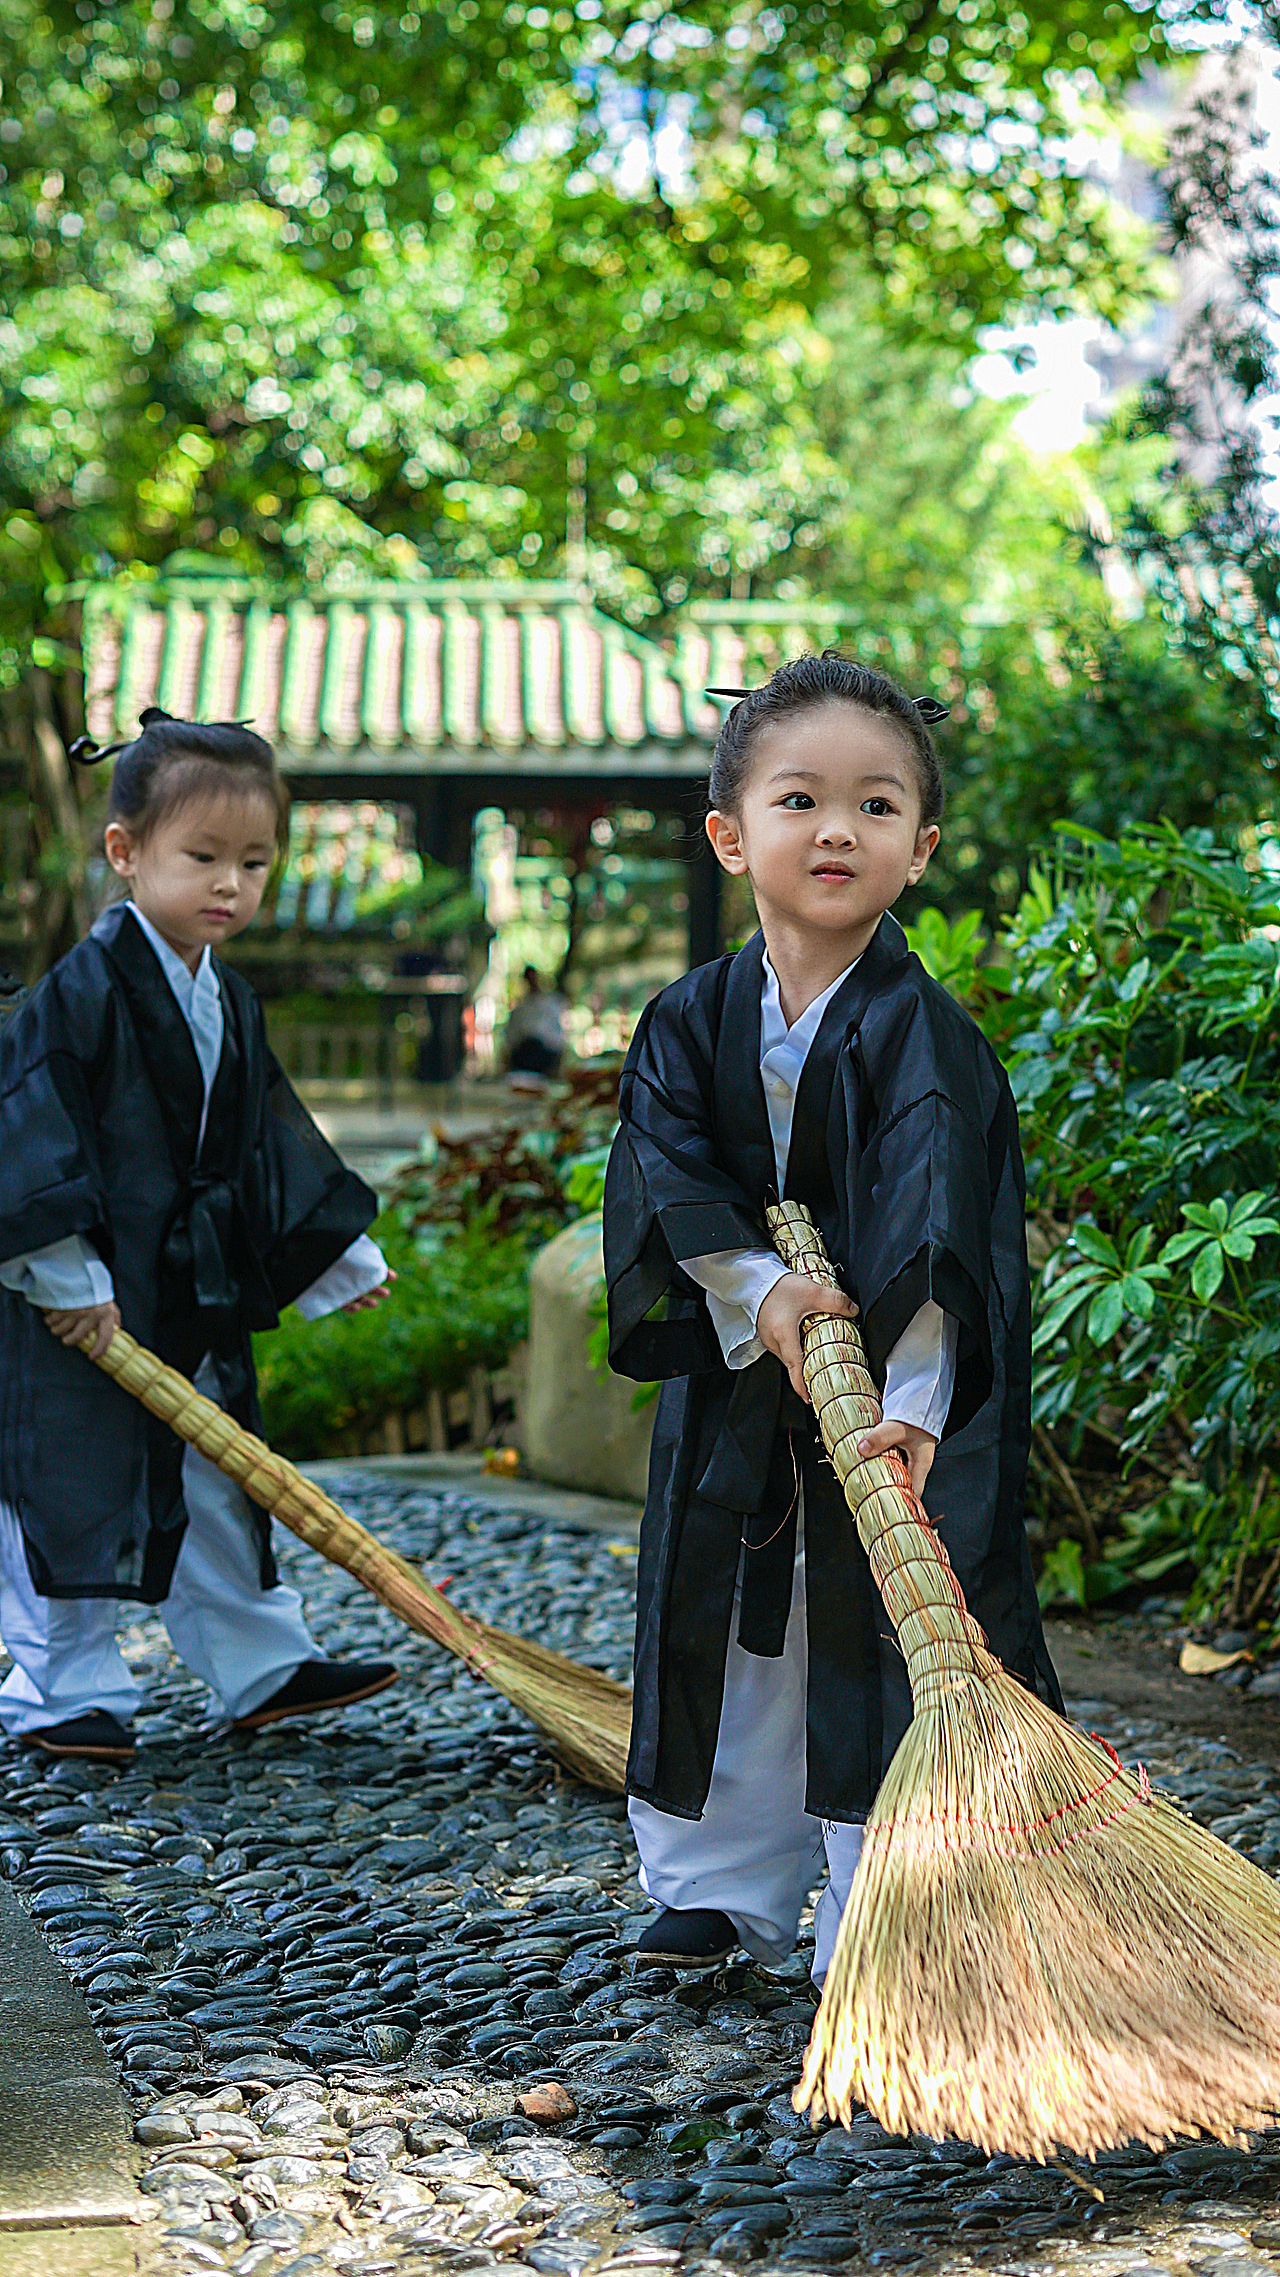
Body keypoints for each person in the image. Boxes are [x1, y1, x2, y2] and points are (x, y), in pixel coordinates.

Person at [604, 655, 1061, 1979]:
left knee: (880, 1638)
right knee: (734, 1632)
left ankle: (885, 1902)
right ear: (730, 833)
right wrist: (761, 1291)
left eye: (874, 805)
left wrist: (910, 1408)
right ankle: (720, 1888)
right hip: (748, 1373)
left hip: (899, 1408)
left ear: (920, 848)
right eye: (799, 798)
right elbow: (666, 1167)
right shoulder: (687, 1022)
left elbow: (940, 1224)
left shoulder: (930, 1038)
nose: (834, 830)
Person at [0, 706, 401, 1763]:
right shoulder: (74, 998)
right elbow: (30, 1136)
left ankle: (260, 1664)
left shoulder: (228, 998)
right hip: (82, 1295)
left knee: (222, 1473)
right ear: (125, 853)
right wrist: (60, 1270)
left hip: (189, 1285)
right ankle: (59, 1687)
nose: (231, 884)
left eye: (255, 862)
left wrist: (335, 1254)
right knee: (69, 1483)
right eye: (204, 857)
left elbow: (266, 1135)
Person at [505, 964, 566, 1082]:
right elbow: (512, 1035)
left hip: (545, 1054)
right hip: (523, 1054)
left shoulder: (551, 1003)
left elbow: (558, 1035)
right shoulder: (521, 1008)